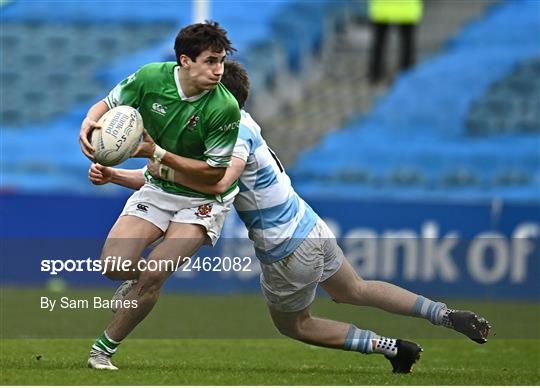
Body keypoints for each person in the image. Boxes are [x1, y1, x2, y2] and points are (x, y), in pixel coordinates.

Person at [89, 60, 490, 373]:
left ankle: (391, 348)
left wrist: (153, 153)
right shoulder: (236, 128)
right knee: (357, 289)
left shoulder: (231, 136)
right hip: (309, 223)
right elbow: (171, 176)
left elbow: (214, 180)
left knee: (296, 325)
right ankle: (443, 313)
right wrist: (121, 172)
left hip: (286, 248)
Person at [78, 21, 241, 370]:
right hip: (160, 189)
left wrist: (157, 154)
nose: (218, 70)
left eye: (221, 61)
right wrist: (89, 123)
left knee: (155, 273)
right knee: (114, 266)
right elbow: (106, 104)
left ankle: (102, 351)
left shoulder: (223, 107)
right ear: (185, 60)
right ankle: (138, 283)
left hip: (202, 201)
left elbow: (214, 174)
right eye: (210, 61)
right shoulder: (152, 78)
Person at [367, 0, 423, 85]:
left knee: (379, 42)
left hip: (382, 7)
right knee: (407, 44)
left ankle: (375, 74)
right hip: (406, 7)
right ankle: (407, 74)